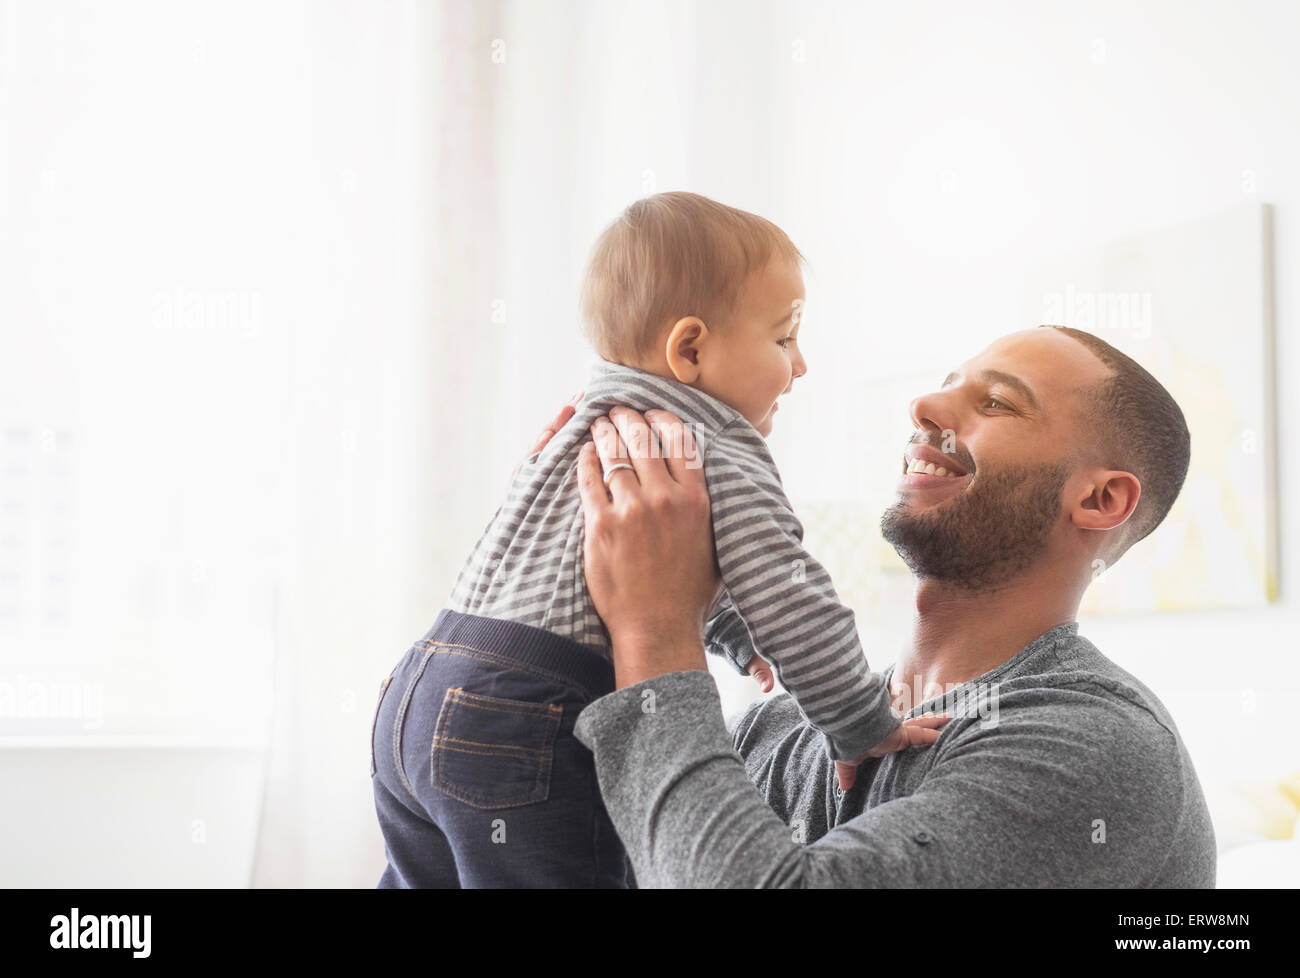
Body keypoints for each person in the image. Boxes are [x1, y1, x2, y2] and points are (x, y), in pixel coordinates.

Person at [368, 192, 942, 889]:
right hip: (527, 713)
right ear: (690, 348)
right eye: (785, 337)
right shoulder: (716, 443)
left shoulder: (586, 429)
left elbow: (661, 568)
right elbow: (792, 592)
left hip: (418, 690)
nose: (801, 365)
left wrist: (733, 635)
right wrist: (859, 721)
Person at [568, 324, 1218, 887]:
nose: (924, 404)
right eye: (944, 384)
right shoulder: (777, 731)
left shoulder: (1096, 746)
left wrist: (654, 631)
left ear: (1102, 502)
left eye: (996, 402)